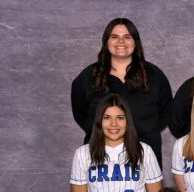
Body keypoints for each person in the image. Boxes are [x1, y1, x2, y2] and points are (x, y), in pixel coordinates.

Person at [71, 18, 172, 167]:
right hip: (100, 160)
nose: (121, 42)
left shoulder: (154, 75)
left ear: (135, 42)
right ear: (106, 41)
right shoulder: (88, 77)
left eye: (127, 37)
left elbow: (166, 113)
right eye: (114, 37)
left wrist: (141, 130)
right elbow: (80, 115)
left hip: (144, 161)